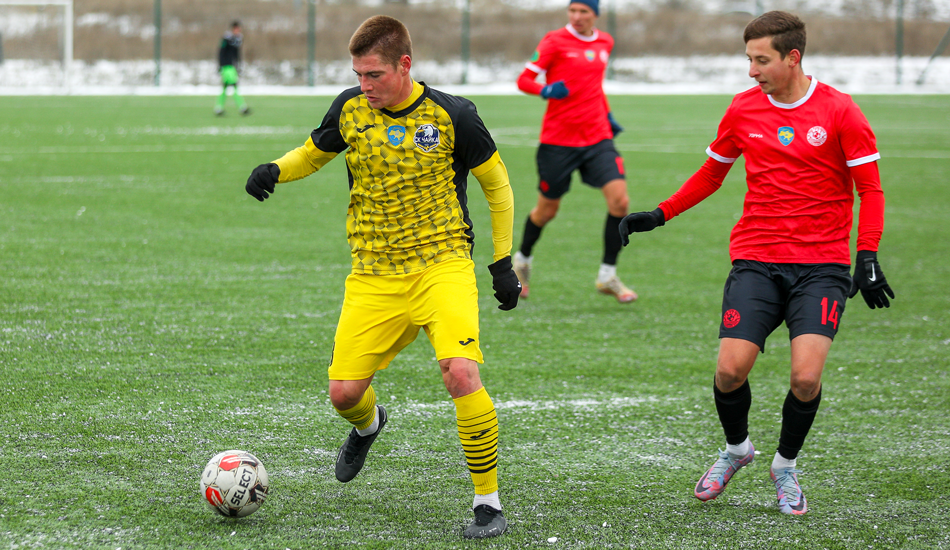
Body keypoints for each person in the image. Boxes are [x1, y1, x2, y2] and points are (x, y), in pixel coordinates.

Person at [244, 15, 520, 539]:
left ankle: (488, 503)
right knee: (344, 394)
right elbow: (313, 154)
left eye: (374, 74)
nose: (364, 85)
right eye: (358, 74)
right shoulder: (350, 108)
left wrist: (502, 263)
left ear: (404, 64)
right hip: (373, 274)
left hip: (441, 265)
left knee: (461, 373)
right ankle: (370, 425)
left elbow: (498, 186)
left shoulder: (454, 115)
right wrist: (276, 169)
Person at [619, 11, 894, 515]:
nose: (751, 71)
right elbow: (712, 173)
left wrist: (868, 254)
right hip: (757, 259)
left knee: (805, 379)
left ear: (793, 57)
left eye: (761, 60)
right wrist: (660, 214)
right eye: (748, 59)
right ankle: (737, 450)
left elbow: (870, 190)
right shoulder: (743, 108)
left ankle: (784, 466)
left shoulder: (840, 110)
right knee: (729, 371)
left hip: (822, 266)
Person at [513, 0, 636, 303]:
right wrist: (545, 90)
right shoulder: (554, 41)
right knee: (546, 211)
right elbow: (524, 80)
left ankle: (607, 275)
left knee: (620, 202)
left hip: (597, 137)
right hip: (558, 141)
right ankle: (522, 261)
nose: (577, 16)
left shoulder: (606, 42)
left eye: (584, 11)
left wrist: (606, 114)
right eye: (573, 10)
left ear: (596, 15)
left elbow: (594, 85)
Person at [215, 20, 250, 116]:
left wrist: (239, 65)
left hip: (232, 67)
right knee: (234, 86)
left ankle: (218, 108)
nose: (239, 30)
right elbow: (221, 52)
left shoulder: (238, 39)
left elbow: (237, 54)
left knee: (225, 87)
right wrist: (220, 65)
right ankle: (242, 107)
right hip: (226, 66)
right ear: (233, 29)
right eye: (237, 28)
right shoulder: (226, 39)